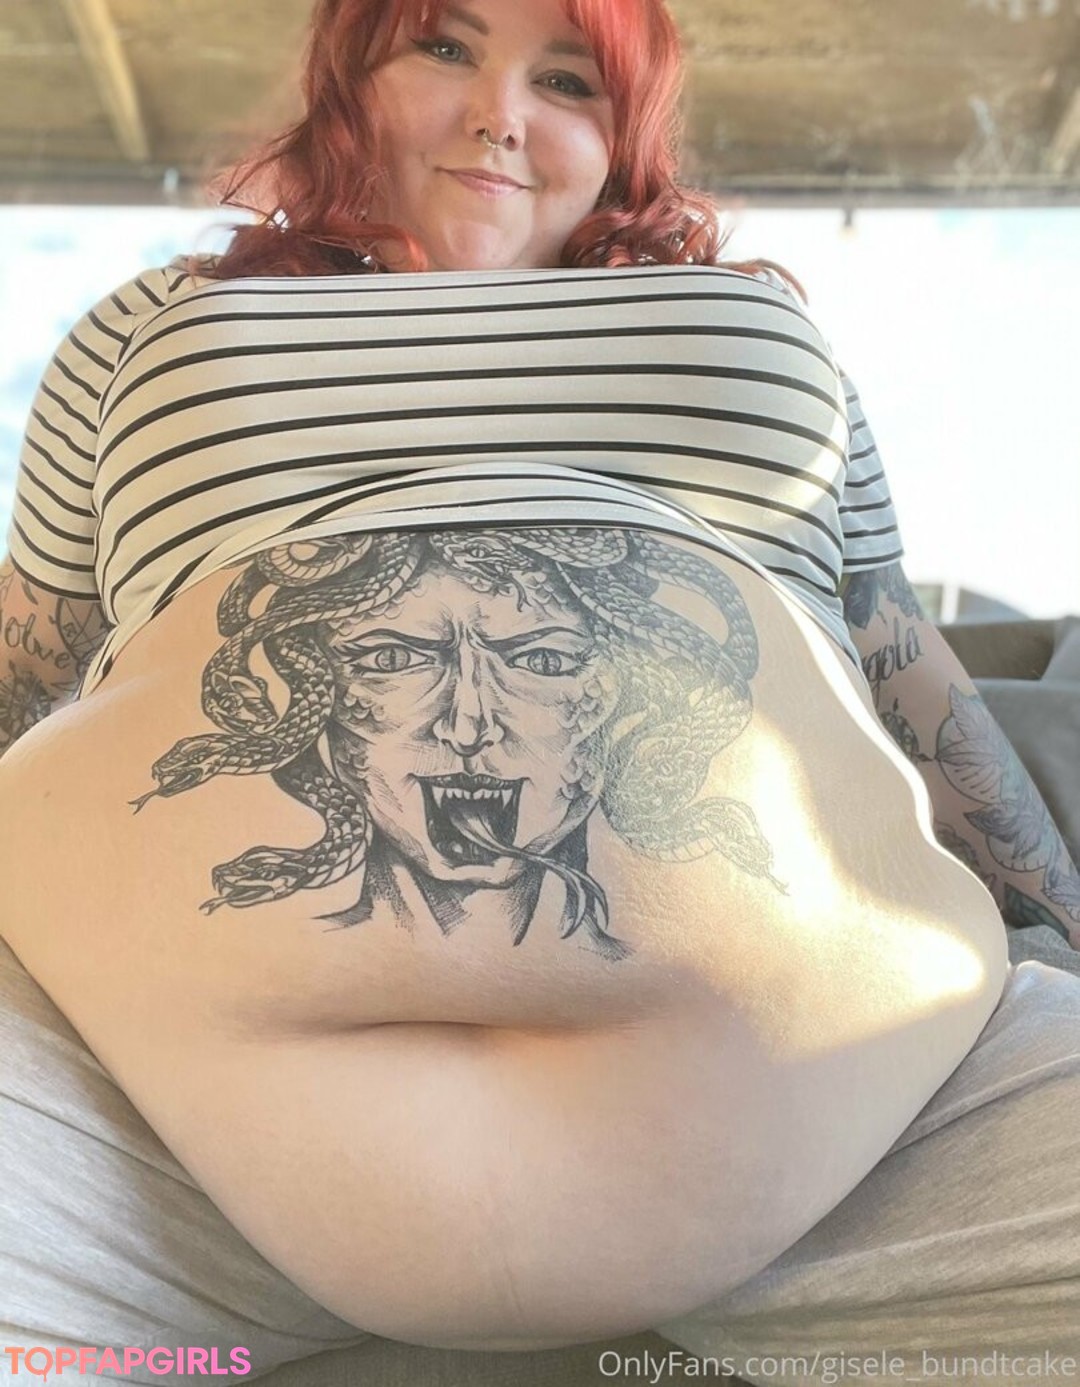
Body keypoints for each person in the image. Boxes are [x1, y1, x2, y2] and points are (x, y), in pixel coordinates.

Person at [0, 0, 1078, 1383]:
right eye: (444, 48)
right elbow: (27, 668)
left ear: (624, 136)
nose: (500, 115)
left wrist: (1062, 934)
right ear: (348, 81)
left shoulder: (751, 325)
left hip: (871, 1120)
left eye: (567, 81)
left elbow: (907, 677)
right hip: (125, 1127)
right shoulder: (159, 326)